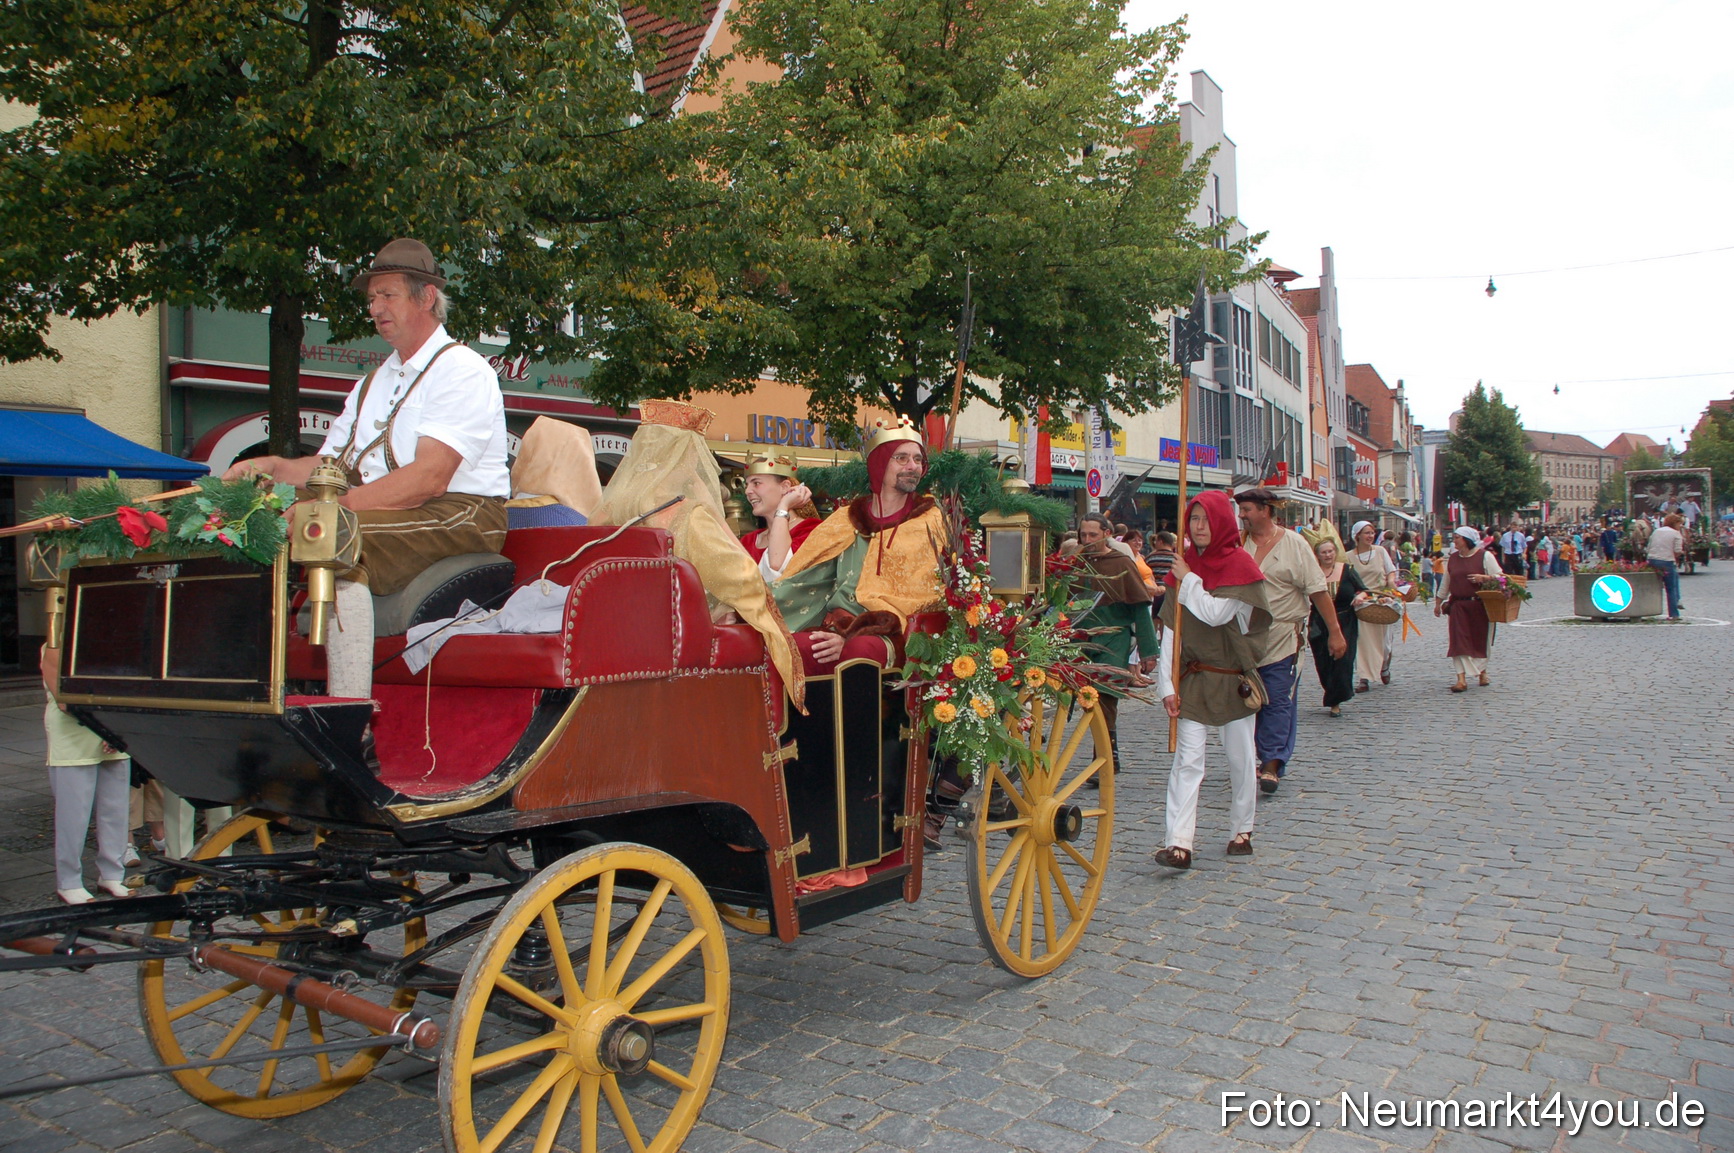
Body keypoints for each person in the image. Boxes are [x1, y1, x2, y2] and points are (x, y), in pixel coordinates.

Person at [224, 238, 509, 702]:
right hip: (387, 507)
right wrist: (274, 467)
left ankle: (350, 714)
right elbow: (335, 466)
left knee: (335, 534)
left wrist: (333, 512)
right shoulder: (372, 381)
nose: (375, 308)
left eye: (387, 295)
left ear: (426, 297)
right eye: (371, 298)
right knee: (252, 525)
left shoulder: (463, 369)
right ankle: (259, 693)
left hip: (465, 515)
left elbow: (428, 479)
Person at [1152, 491, 1271, 870]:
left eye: (1205, 519)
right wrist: (1167, 687)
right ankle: (1178, 843)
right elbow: (1172, 629)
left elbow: (1216, 613)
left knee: (1240, 758)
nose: (1198, 527)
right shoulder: (1182, 568)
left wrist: (1190, 580)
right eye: (1193, 519)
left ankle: (1242, 829)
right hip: (1194, 676)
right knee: (1188, 762)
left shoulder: (1241, 566)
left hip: (1232, 676)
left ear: (1221, 521)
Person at [773, 418, 946, 668]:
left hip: (892, 632)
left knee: (858, 653)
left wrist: (851, 634)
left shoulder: (930, 521)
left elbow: (924, 595)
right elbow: (808, 578)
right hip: (836, 623)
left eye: (918, 460)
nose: (913, 466)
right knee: (790, 648)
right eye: (902, 458)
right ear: (879, 464)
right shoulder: (845, 519)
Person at [1235, 488, 1343, 794]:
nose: (1242, 515)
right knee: (1246, 699)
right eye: (1240, 510)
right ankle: (1254, 755)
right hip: (1242, 635)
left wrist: (1335, 632)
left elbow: (1318, 591)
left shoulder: (1294, 544)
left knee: (1278, 697)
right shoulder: (1237, 545)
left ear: (1266, 510)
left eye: (1247, 509)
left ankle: (1272, 761)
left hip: (1283, 634)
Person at [39, 641, 132, 904]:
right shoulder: (55, 646)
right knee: (73, 814)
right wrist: (106, 727)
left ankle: (113, 873)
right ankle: (69, 880)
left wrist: (115, 729)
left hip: (111, 731)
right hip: (74, 734)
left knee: (115, 808)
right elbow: (64, 699)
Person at [1074, 513, 1159, 776]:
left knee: (1106, 695)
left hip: (1114, 637)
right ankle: (1102, 754)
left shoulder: (1121, 561)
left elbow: (1139, 608)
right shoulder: (1074, 562)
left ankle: (1106, 756)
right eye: (1083, 535)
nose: (1087, 540)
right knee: (1084, 697)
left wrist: (1148, 650)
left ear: (1106, 534)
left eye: (1093, 535)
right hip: (1080, 637)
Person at [1302, 524, 1368, 717]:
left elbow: (1363, 589)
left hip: (1345, 619)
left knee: (1342, 661)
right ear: (1318, 555)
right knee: (1323, 661)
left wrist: (1360, 597)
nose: (1328, 555)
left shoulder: (1346, 570)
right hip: (1318, 622)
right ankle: (1330, 690)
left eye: (1331, 551)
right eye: (1324, 552)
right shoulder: (1313, 573)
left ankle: (1336, 700)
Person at [1435, 526, 1503, 692]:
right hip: (1458, 606)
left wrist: (1484, 578)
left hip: (1480, 606)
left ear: (1466, 539)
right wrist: (1438, 602)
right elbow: (1446, 581)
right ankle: (1461, 679)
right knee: (1458, 642)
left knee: (1479, 640)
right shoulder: (1452, 559)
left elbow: (1501, 578)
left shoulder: (1484, 556)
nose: (1454, 540)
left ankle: (1482, 672)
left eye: (1457, 537)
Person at [737, 451, 819, 571]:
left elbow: (780, 567)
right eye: (747, 485)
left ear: (785, 487)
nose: (747, 491)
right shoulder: (748, 541)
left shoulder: (811, 531)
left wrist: (783, 506)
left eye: (756, 483)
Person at [1346, 520, 1398, 693]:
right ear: (1357, 536)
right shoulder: (1348, 557)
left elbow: (1390, 571)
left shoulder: (1380, 551)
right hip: (1362, 602)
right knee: (1363, 642)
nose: (1370, 536)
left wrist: (1390, 582)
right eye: (1366, 533)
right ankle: (1364, 677)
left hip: (1382, 600)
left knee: (1385, 644)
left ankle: (1384, 666)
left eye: (1371, 532)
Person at [1647, 513, 1686, 621]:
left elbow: (1649, 546)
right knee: (1671, 588)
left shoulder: (1657, 531)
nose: (1680, 526)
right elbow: (1677, 551)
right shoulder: (1676, 534)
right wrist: (1679, 554)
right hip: (1667, 561)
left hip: (1652, 560)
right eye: (1680, 524)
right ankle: (1674, 613)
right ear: (1675, 523)